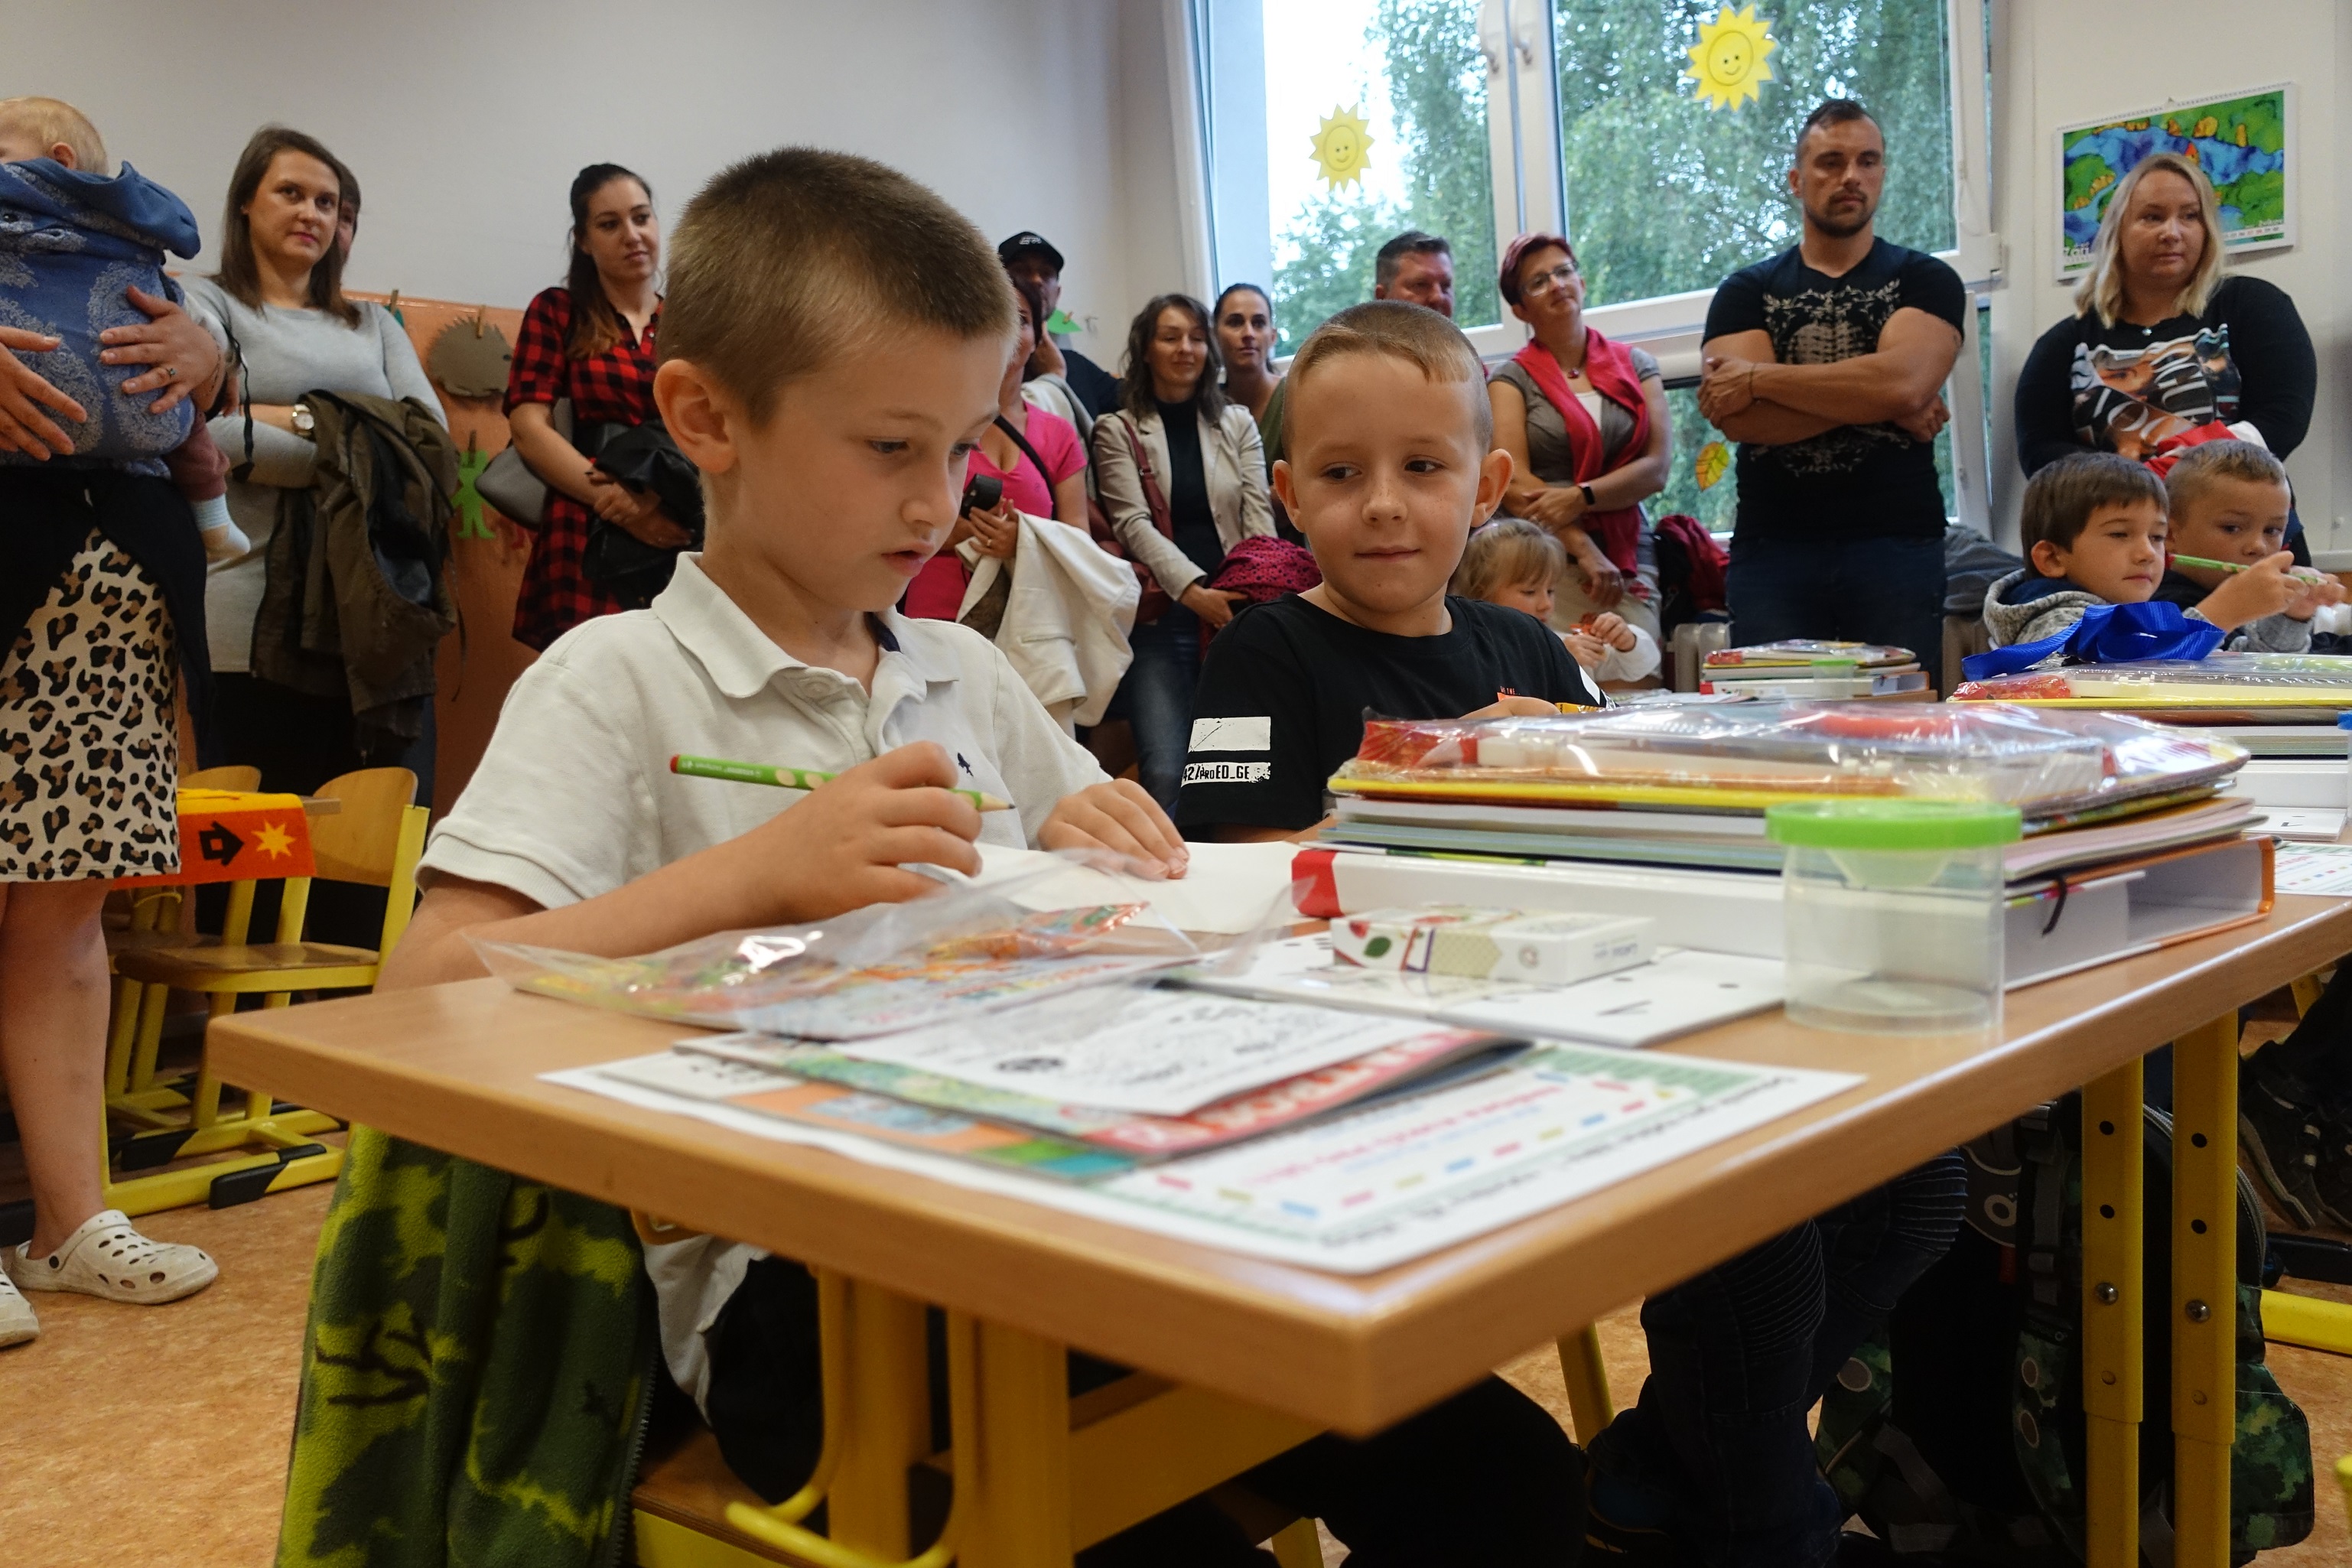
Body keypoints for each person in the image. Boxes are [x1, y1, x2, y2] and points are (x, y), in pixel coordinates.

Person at [375, 148, 1581, 1568]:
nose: (936, 502)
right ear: (705, 417)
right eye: (890, 449)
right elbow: (420, 996)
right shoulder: (615, 679)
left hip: (1084, 1211)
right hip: (818, 1299)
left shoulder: (962, 670)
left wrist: (1116, 855)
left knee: (1510, 1486)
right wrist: (756, 876)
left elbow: (1145, 891)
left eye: (959, 451)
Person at [0, 103, 232, 1351]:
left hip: (106, 609)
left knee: (66, 918)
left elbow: (210, 391)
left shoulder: (128, 252)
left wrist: (211, 358)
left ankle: (69, 1224)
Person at [1176, 301, 1598, 841]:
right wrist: (1429, 780)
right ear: (1293, 496)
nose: (1382, 505)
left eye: (1421, 466)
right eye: (1340, 472)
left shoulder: (1532, 646)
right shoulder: (1255, 653)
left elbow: (1633, 791)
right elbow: (1238, 870)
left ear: (1486, 490)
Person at [183, 126, 443, 800]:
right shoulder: (204, 305)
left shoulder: (375, 325)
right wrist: (356, 437)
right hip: (245, 614)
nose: (311, 214)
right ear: (246, 202)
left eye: (327, 203)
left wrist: (286, 418)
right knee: (254, 845)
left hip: (376, 618)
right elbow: (204, 434)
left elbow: (426, 445)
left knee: (374, 845)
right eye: (291, 194)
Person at [1696, 99, 1965, 685]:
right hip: (1774, 550)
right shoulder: (1745, 290)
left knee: (1896, 724)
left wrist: (1760, 378)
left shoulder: (1924, 279)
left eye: (1867, 161)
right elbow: (1743, 420)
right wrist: (1882, 402)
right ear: (1796, 180)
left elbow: (1904, 383)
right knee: (1772, 725)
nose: (1850, 176)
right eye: (1830, 162)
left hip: (1897, 546)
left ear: (1882, 173)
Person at [0, 97, 245, 563]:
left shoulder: (124, 239)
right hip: (20, 525)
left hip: (145, 535)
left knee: (193, 431)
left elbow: (176, 307)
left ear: (60, 161)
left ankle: (211, 506)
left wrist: (214, 358)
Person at [2015, 151, 2316, 492]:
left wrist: (2179, 470)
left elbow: (2283, 417)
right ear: (2117, 232)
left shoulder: (2253, 306)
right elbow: (2038, 451)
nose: (2172, 232)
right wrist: (2133, 487)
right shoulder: (2065, 343)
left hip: (2240, 517)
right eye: (2152, 217)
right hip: (2117, 518)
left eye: (2190, 216)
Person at [1091, 294, 1275, 812]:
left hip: (1234, 617)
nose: (1185, 349)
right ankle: (1168, 861)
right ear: (1146, 349)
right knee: (1167, 768)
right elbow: (1132, 523)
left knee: (1230, 768)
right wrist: (1195, 593)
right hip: (1163, 618)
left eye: (1195, 337)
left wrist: (1255, 586)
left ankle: (1227, 860)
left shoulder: (1236, 423)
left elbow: (1257, 512)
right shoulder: (1118, 429)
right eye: (1170, 337)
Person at [504, 163, 683, 649]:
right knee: (584, 678)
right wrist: (621, 506)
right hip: (585, 523)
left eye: (642, 217)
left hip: (676, 521)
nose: (632, 235)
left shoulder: (688, 323)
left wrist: (653, 506)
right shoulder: (558, 311)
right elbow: (529, 429)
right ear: (583, 240)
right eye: (609, 224)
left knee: (676, 677)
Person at [1488, 232, 1672, 651]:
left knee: (1637, 670)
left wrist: (1581, 497)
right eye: (1539, 282)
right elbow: (1513, 482)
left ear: (1582, 282)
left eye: (1564, 272)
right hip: (1546, 561)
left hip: (1629, 553)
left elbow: (1657, 468)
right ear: (1520, 309)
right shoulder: (1510, 379)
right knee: (1566, 675)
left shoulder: (1637, 365)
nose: (1557, 285)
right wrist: (1583, 547)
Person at [1979, 449, 2326, 653]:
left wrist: (2290, 617)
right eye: (2120, 534)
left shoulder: (2131, 614)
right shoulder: (2053, 621)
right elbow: (2122, 668)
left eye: (2157, 537)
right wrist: (2222, 612)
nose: (2147, 553)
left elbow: (2243, 673)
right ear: (2053, 558)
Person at [903, 277, 1087, 619]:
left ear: (1038, 338)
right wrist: (951, 533)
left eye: (1021, 320)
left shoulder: (1058, 433)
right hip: (937, 616)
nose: (1008, 331)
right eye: (993, 316)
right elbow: (892, 519)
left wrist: (1024, 542)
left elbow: (1079, 541)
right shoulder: (931, 418)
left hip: (1031, 622)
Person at [2153, 440, 2338, 649]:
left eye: (2272, 531)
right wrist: (2227, 609)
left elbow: (2266, 668)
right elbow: (2163, 661)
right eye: (2232, 528)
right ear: (2170, 535)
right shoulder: (2156, 604)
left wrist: (2291, 617)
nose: (2258, 547)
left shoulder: (2262, 601)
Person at [1453, 518, 1660, 687]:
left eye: (1550, 591)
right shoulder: (1466, 652)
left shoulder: (1562, 644)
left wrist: (1628, 642)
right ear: (1482, 594)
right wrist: (1555, 662)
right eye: (1529, 592)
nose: (1546, 604)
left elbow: (1637, 668)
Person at [998, 230, 1121, 419]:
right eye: (1021, 271)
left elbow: (1141, 397)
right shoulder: (981, 366)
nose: (1036, 280)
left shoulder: (1076, 365)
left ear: (1057, 294)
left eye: (1046, 273)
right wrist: (1055, 378)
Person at [1215, 282, 1282, 425]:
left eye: (1258, 323)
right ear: (1214, 336)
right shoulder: (1209, 407)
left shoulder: (1295, 397)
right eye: (1235, 323)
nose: (1248, 334)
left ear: (1272, 336)